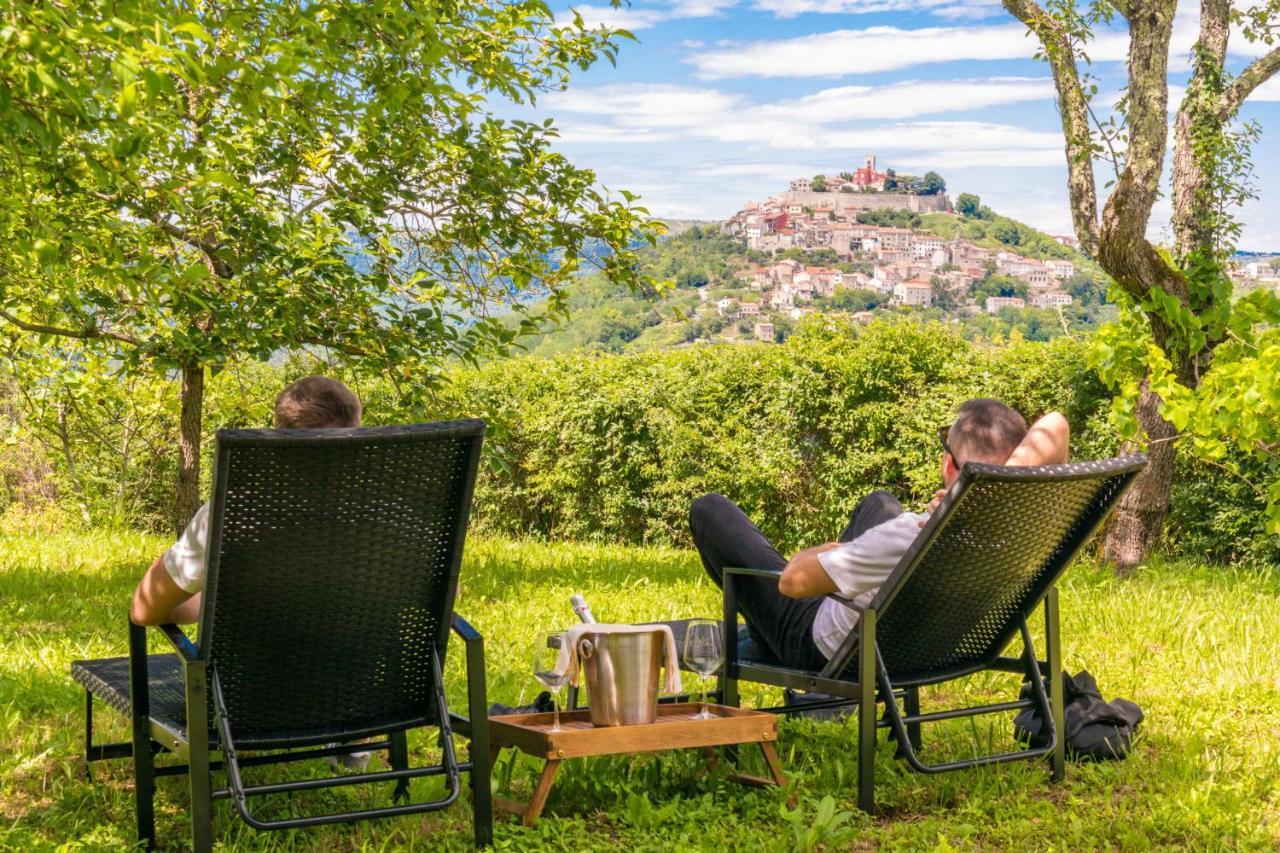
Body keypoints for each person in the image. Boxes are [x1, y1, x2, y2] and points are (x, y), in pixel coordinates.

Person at [689, 398, 1070, 672]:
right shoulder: (1031, 523)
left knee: (710, 511)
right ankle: (765, 630)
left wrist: (837, 551)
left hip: (828, 647)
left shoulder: (914, 535)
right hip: (928, 645)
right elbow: (1056, 423)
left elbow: (792, 582)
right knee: (880, 502)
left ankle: (764, 638)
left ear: (950, 466)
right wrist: (985, 497)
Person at [129, 375, 363, 628]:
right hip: (375, 668)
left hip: (254, 668)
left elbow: (144, 610)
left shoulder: (233, 514)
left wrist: (201, 605)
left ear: (281, 440)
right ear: (356, 431)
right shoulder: (392, 510)